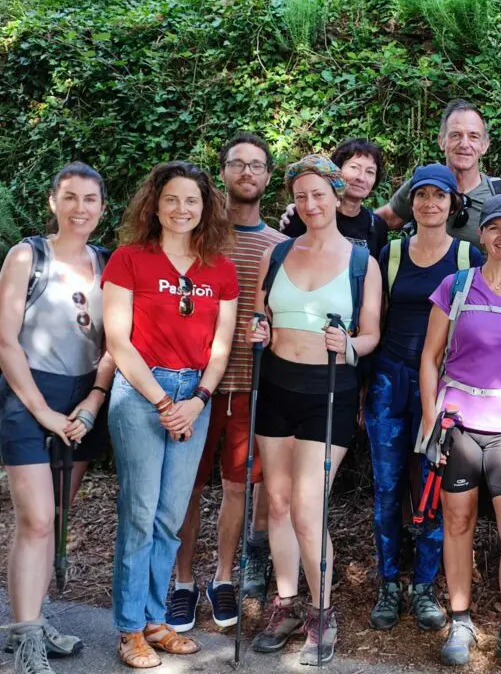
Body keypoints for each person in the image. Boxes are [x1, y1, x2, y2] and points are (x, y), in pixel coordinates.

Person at [102, 161, 238, 669]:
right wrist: (163, 401)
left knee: (168, 518)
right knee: (139, 514)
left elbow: (221, 347)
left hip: (194, 397)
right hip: (141, 394)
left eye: (192, 201)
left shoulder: (219, 268)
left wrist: (197, 399)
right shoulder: (129, 260)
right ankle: (129, 628)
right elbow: (118, 341)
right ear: (154, 205)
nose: (182, 209)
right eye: (172, 200)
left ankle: (156, 621)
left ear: (206, 208)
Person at [248, 155, 382, 665]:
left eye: (319, 194)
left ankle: (322, 612)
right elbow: (261, 314)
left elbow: (372, 334)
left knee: (307, 507)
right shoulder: (277, 254)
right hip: (277, 385)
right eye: (301, 196)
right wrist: (259, 330)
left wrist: (348, 344)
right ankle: (285, 602)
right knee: (277, 503)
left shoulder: (360, 262)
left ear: (335, 193)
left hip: (329, 388)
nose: (311, 204)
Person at [418, 194, 501, 674]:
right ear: (482, 235)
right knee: (457, 525)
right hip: (458, 425)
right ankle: (460, 621)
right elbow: (430, 357)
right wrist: (430, 418)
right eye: (494, 228)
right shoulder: (455, 287)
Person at [0, 163, 115, 674]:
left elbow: (115, 345)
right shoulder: (28, 255)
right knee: (37, 519)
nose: (80, 209)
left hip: (82, 400)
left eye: (90, 200)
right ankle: (24, 636)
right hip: (29, 396)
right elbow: (6, 342)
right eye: (70, 198)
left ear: (103, 208)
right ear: (53, 202)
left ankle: (34, 617)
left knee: (58, 518)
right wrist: (43, 410)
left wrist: (92, 402)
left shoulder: (108, 264)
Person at [170, 133, 287, 632]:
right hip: (191, 385)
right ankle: (181, 582)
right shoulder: (199, 237)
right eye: (237, 164)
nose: (246, 173)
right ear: (222, 172)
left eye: (256, 166)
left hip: (249, 384)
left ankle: (221, 578)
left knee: (236, 487)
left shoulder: (282, 246)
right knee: (185, 488)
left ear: (266, 177)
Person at [365, 163, 483, 631]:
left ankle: (425, 587)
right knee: (389, 487)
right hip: (390, 382)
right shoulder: (389, 254)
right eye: (421, 196)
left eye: (439, 196)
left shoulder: (467, 257)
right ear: (410, 203)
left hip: (443, 387)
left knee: (434, 487)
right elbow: (376, 320)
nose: (429, 204)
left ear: (454, 203)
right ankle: (389, 583)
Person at [376, 100, 501, 246]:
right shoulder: (423, 185)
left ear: (484, 145)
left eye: (473, 136)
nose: (464, 144)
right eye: (455, 135)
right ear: (441, 141)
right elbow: (386, 219)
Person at [279, 138, 390, 258]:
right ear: (336, 171)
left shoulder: (377, 226)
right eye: (354, 167)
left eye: (370, 172)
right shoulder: (309, 214)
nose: (361, 178)